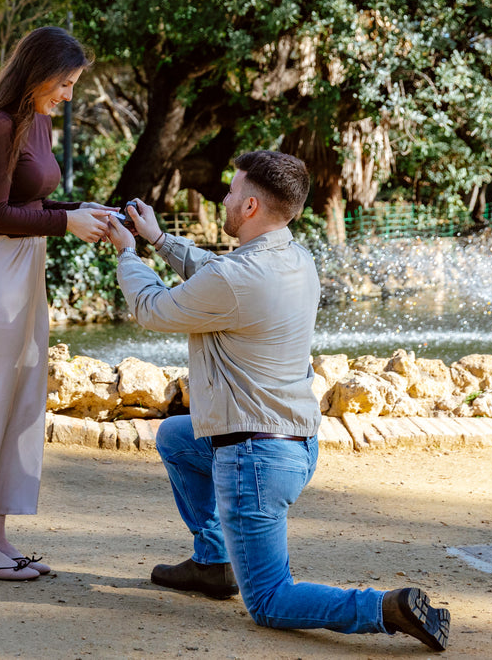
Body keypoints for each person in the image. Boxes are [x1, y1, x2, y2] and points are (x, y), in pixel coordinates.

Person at [103, 150, 451, 652]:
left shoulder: (231, 280)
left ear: (248, 207)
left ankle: (385, 608)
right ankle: (214, 563)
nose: (223, 197)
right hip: (296, 445)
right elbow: (215, 274)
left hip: (254, 459)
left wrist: (127, 254)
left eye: (229, 190)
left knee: (268, 600)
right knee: (176, 436)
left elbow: (152, 307)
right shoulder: (294, 257)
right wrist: (158, 240)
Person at [0, 26, 114, 581]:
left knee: (19, 404)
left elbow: (31, 199)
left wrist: (84, 209)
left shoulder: (37, 123)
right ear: (37, 74)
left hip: (27, 275)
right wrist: (65, 222)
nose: (68, 94)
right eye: (64, 83)